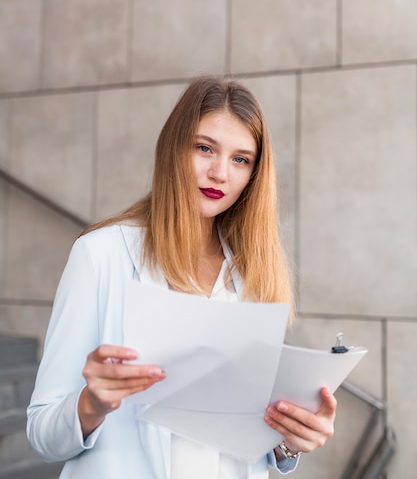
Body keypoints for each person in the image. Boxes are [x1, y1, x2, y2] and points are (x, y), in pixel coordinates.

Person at [27, 75, 336, 479]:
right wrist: (91, 405)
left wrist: (289, 441)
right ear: (174, 149)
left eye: (241, 159)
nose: (220, 172)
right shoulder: (101, 255)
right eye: (205, 148)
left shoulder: (252, 274)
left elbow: (250, 434)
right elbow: (42, 433)